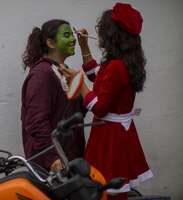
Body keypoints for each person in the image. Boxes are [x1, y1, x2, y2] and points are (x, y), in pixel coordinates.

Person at [60, 3, 153, 199]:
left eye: (100, 29)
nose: (98, 33)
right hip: (115, 133)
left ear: (111, 34)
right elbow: (97, 77)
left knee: (106, 191)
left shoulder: (118, 67)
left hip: (111, 138)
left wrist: (77, 83)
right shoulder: (119, 62)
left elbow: (100, 108)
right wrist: (84, 47)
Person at [21, 19, 87, 172]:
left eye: (72, 35)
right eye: (66, 35)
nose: (73, 39)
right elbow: (36, 122)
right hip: (53, 166)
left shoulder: (63, 71)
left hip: (70, 160)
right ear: (50, 43)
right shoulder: (42, 74)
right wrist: (52, 157)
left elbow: (76, 113)